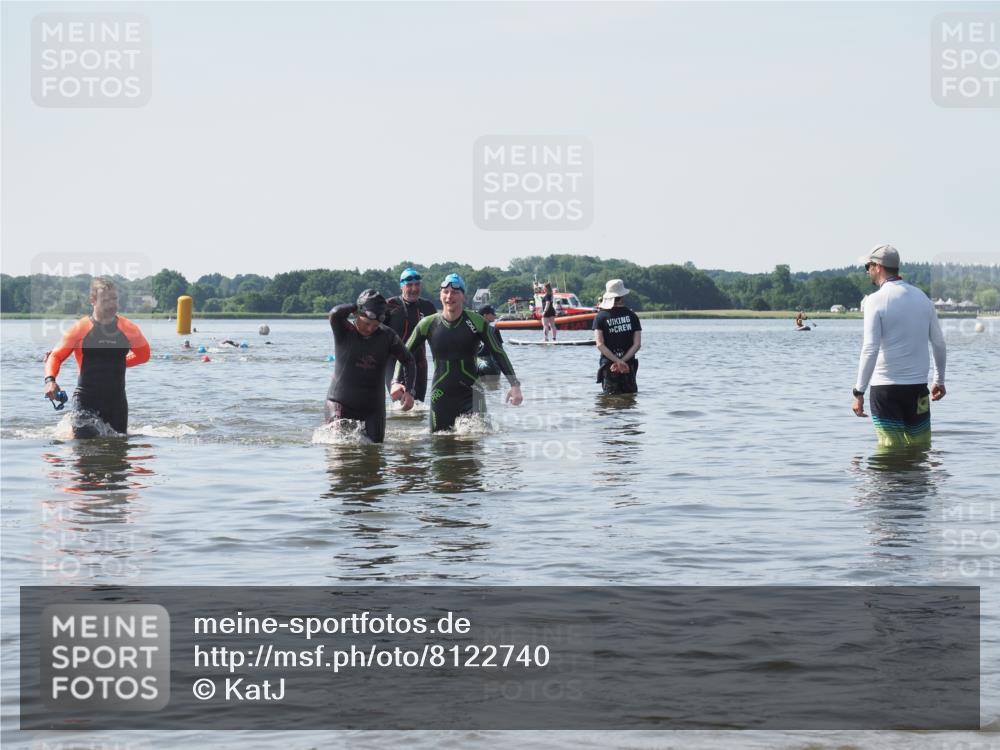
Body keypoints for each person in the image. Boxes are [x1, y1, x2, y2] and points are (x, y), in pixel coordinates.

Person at [390, 273, 523, 432]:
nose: (449, 296)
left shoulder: (477, 322)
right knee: (439, 441)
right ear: (440, 296)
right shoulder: (428, 324)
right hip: (440, 395)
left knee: (477, 438)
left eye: (455, 292)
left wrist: (515, 385)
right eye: (445, 292)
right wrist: (396, 382)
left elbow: (498, 352)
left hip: (473, 394)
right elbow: (404, 354)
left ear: (463, 297)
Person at [851, 244, 947, 448]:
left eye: (868, 266)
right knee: (920, 447)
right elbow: (939, 343)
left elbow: (870, 348)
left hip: (885, 390)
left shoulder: (875, 301)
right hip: (917, 389)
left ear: (878, 267)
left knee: (890, 450)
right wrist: (939, 380)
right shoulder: (923, 298)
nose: (867, 271)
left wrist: (859, 391)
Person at [43, 277, 151, 437]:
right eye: (106, 300)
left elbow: (144, 355)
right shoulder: (80, 329)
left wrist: (114, 363)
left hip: (117, 403)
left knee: (119, 447)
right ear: (93, 301)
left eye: (114, 299)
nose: (112, 304)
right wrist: (50, 381)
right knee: (84, 446)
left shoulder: (128, 329)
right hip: (86, 400)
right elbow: (56, 356)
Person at [326, 290, 416, 443]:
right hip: (340, 403)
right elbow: (335, 313)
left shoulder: (387, 336)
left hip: (373, 409)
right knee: (339, 449)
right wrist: (356, 306)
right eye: (366, 323)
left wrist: (409, 391)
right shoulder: (344, 330)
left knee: (375, 449)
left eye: (375, 325)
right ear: (356, 314)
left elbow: (409, 361)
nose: (369, 329)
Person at [384, 267, 438, 401]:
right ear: (401, 286)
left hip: (419, 363)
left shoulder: (428, 307)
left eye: (417, 284)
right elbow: (375, 333)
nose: (414, 289)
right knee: (399, 405)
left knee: (418, 406)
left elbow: (437, 339)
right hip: (393, 362)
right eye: (409, 285)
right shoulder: (390, 305)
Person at [593, 279, 642, 394]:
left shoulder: (600, 317)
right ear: (622, 296)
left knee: (610, 399)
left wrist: (616, 361)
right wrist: (622, 361)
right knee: (629, 398)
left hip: (609, 365)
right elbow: (637, 344)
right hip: (628, 365)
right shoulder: (632, 316)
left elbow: (599, 344)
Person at [475, 304, 504, 376]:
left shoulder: (473, 329)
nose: (495, 315)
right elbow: (501, 351)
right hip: (491, 365)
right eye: (492, 313)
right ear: (485, 315)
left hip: (484, 362)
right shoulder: (494, 330)